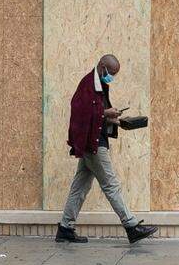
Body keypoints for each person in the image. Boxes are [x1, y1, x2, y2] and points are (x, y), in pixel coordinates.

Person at [56, 54, 158, 245]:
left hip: (91, 142)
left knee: (79, 187)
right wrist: (105, 112)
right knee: (111, 185)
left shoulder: (99, 85)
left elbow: (95, 115)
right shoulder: (88, 85)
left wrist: (116, 120)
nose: (111, 77)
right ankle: (131, 226)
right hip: (94, 145)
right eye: (110, 73)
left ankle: (65, 228)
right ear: (102, 66)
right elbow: (79, 111)